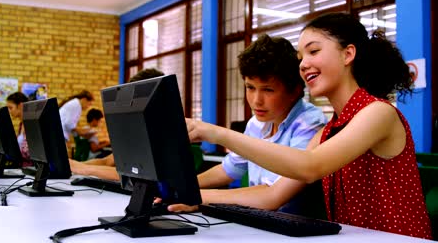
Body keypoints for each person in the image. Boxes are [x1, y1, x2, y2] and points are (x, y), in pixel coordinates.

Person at [185, 13, 432, 239]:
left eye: (313, 51)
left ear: (348, 54)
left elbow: (310, 167)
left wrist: (217, 133)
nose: (303, 65)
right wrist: (189, 196)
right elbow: (271, 196)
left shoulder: (378, 113)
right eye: (300, 58)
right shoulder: (328, 131)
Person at [168, 34, 327, 217]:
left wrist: (196, 196)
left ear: (295, 91)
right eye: (250, 87)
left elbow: (273, 193)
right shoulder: (256, 123)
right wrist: (179, 189)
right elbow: (229, 169)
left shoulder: (310, 123)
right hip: (259, 220)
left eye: (268, 90)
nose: (256, 101)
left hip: (294, 230)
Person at [69, 68, 165, 180]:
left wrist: (83, 169)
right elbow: (106, 162)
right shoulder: (137, 133)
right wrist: (74, 165)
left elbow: (135, 176)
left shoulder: (163, 134)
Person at [6, 92, 32, 167]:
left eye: (11, 108)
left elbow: (29, 152)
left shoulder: (30, 125)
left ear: (20, 105)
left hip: (30, 168)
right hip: (21, 167)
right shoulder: (21, 125)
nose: (9, 111)